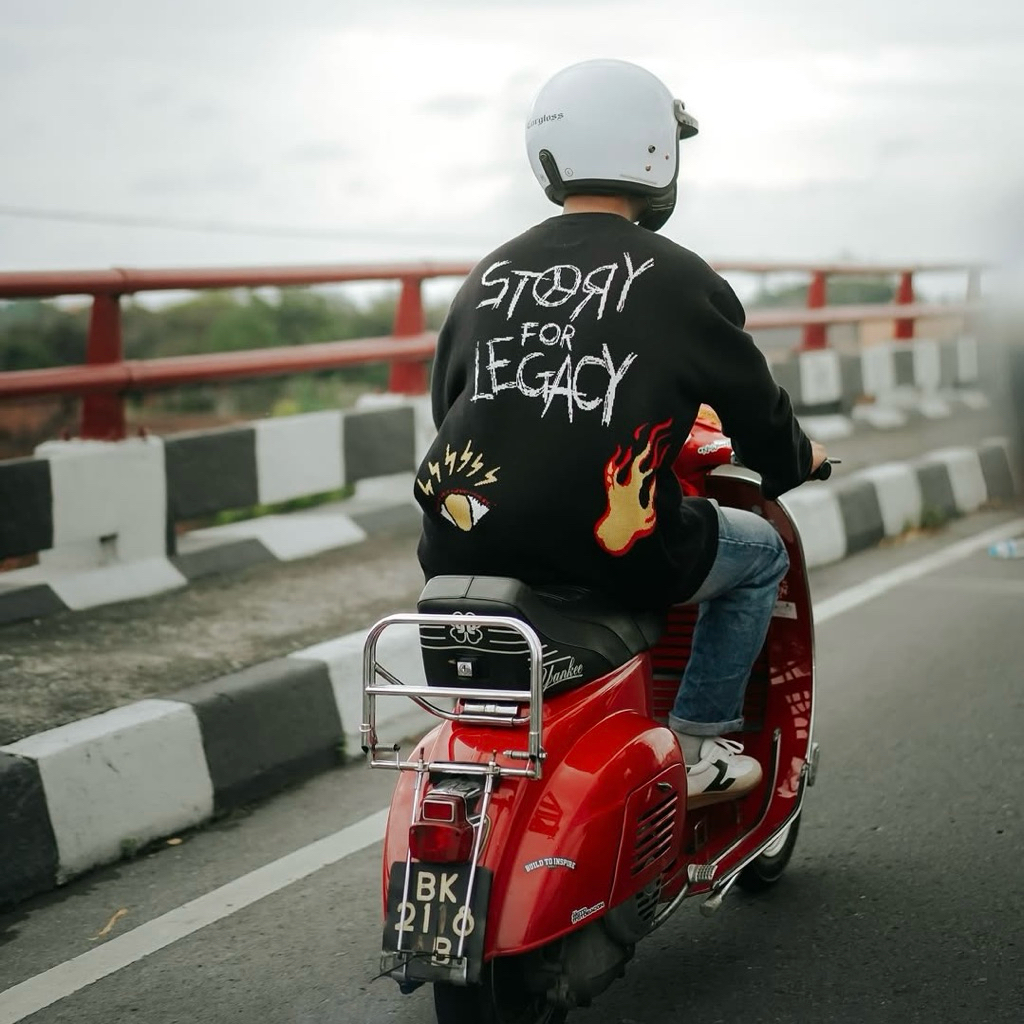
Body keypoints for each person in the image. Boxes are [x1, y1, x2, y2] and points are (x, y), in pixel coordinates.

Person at [414, 58, 827, 806]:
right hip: (609, 547)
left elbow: (450, 406)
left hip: (458, 544)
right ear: (655, 151)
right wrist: (799, 458)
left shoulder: (489, 274)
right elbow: (758, 413)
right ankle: (699, 744)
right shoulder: (680, 278)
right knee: (761, 554)